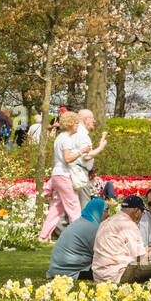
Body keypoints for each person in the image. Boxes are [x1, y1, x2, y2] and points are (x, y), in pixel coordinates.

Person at [92, 195, 151, 283]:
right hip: (117, 275)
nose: (141, 216)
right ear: (137, 211)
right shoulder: (128, 224)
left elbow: (126, 250)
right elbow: (141, 259)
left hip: (99, 276)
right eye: (142, 212)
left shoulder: (108, 221)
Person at [39, 112, 86, 242]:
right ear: (70, 124)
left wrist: (52, 181)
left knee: (56, 208)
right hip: (64, 176)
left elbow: (55, 161)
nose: (78, 125)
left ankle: (43, 236)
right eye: (76, 123)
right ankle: (78, 238)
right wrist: (82, 151)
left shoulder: (59, 138)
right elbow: (67, 159)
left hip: (57, 175)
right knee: (74, 207)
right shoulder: (67, 139)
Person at [47, 199, 107, 279]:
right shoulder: (92, 228)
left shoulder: (81, 222)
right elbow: (102, 254)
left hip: (57, 270)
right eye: (105, 211)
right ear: (97, 211)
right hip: (71, 272)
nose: (108, 214)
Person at [72, 108, 108, 210]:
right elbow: (86, 156)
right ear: (85, 119)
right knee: (85, 209)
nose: (94, 121)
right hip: (80, 175)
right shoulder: (82, 135)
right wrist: (100, 147)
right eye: (92, 118)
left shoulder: (77, 133)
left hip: (77, 173)